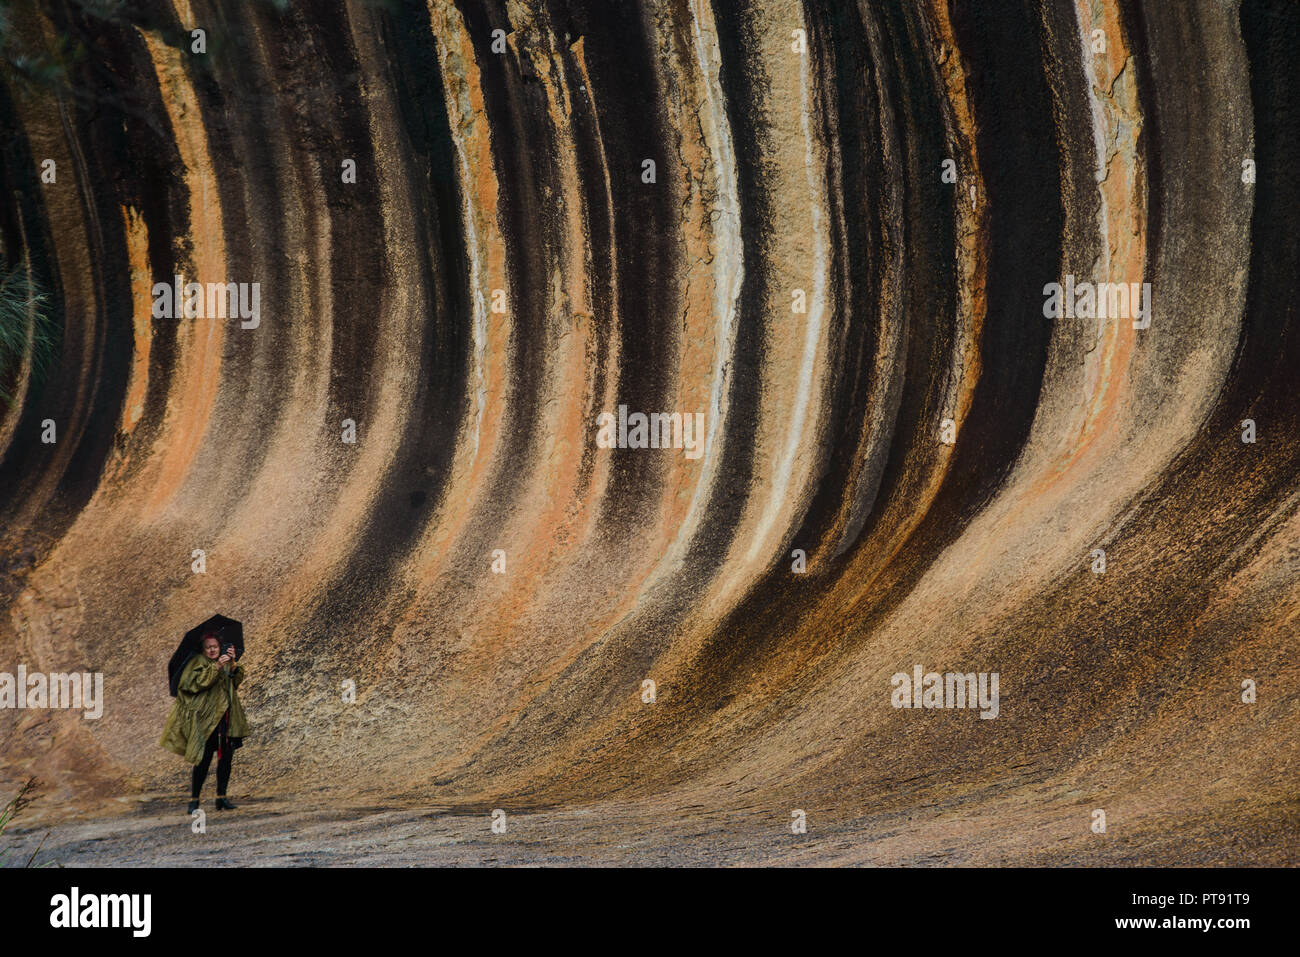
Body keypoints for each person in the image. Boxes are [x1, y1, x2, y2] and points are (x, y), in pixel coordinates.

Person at [159, 631, 250, 813]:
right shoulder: (196, 662)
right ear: (203, 649)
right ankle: (194, 801)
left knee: (226, 758)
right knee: (203, 759)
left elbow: (235, 683)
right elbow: (196, 683)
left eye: (215, 647)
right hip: (206, 719)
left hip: (226, 718)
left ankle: (221, 798)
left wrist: (232, 665)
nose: (212, 650)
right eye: (208, 647)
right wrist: (216, 666)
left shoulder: (225, 662)